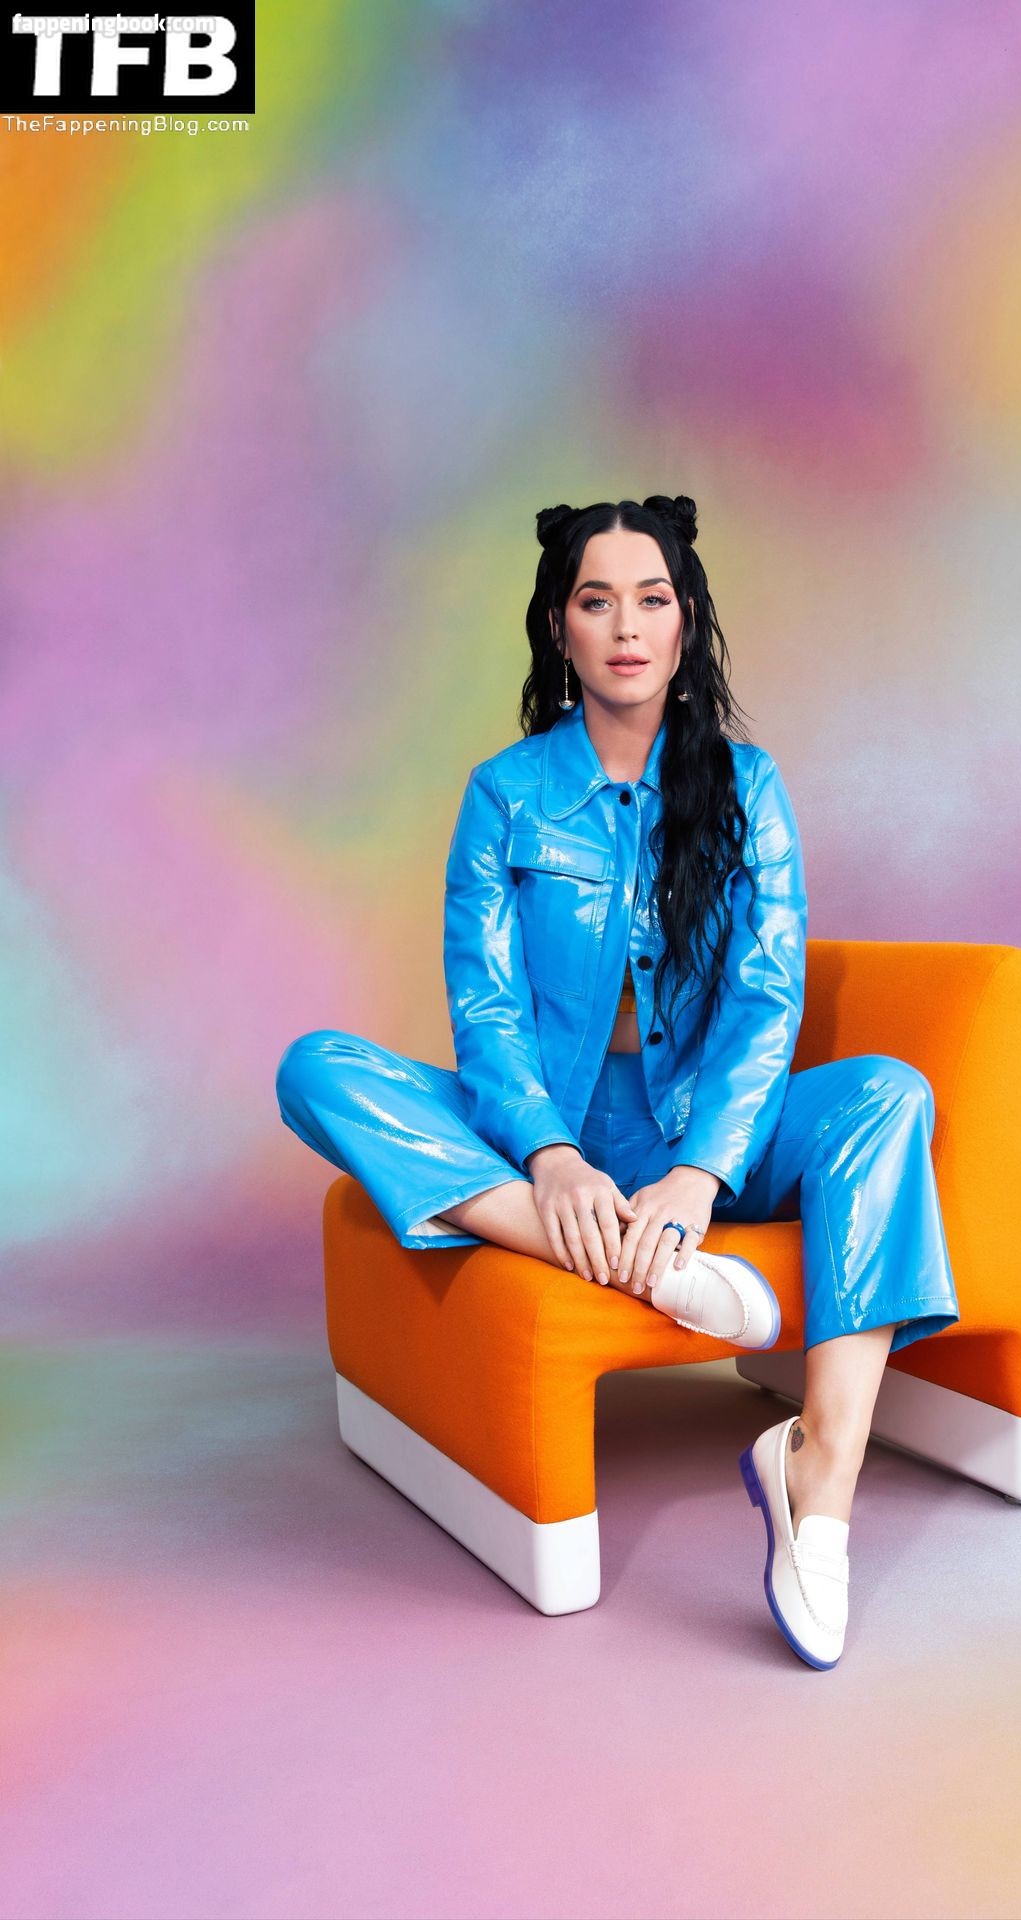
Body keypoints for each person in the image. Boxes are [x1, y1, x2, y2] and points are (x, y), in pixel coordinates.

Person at [276, 493, 960, 1669]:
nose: (626, 627)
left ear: (686, 619)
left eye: (652, 599)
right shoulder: (505, 795)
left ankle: (818, 1485)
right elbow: (486, 1011)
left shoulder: (748, 788)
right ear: (559, 626)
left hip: (703, 1135)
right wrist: (548, 1156)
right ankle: (618, 1259)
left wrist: (699, 1175)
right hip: (543, 1142)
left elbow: (763, 1002)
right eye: (596, 602)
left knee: (887, 1093)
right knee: (315, 1071)